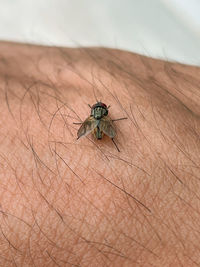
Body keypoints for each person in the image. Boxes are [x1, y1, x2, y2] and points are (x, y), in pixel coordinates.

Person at [0, 41, 199, 266]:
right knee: (108, 130)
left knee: (95, 128)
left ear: (95, 111)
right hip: (100, 129)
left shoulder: (92, 117)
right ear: (103, 110)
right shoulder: (107, 117)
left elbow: (91, 122)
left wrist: (87, 126)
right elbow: (110, 125)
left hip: (92, 127)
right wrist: (108, 130)